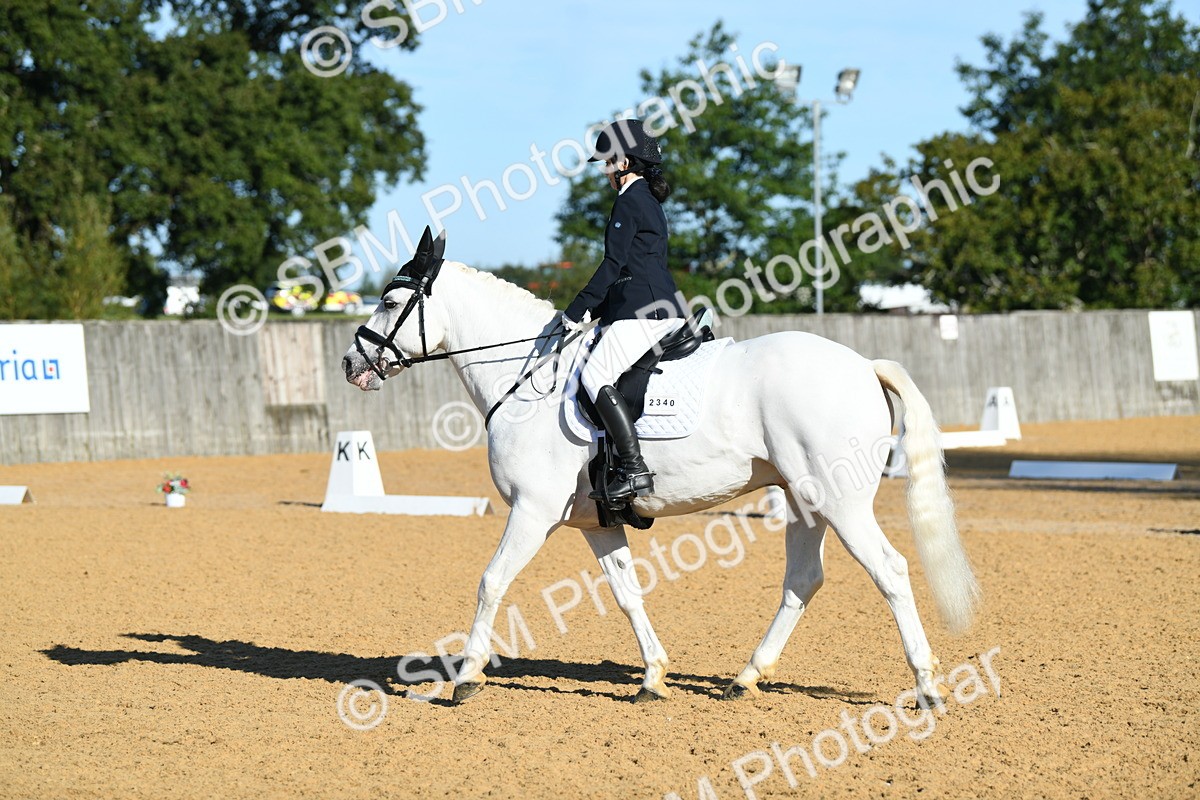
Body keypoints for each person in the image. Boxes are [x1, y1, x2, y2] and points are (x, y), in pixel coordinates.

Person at [562, 119, 686, 504]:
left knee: (594, 375)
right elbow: (632, 267)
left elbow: (613, 264)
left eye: (607, 162)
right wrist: (594, 312)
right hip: (652, 304)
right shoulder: (645, 198)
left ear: (625, 162)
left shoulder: (630, 199)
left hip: (643, 312)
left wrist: (575, 309)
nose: (603, 170)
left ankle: (633, 467)